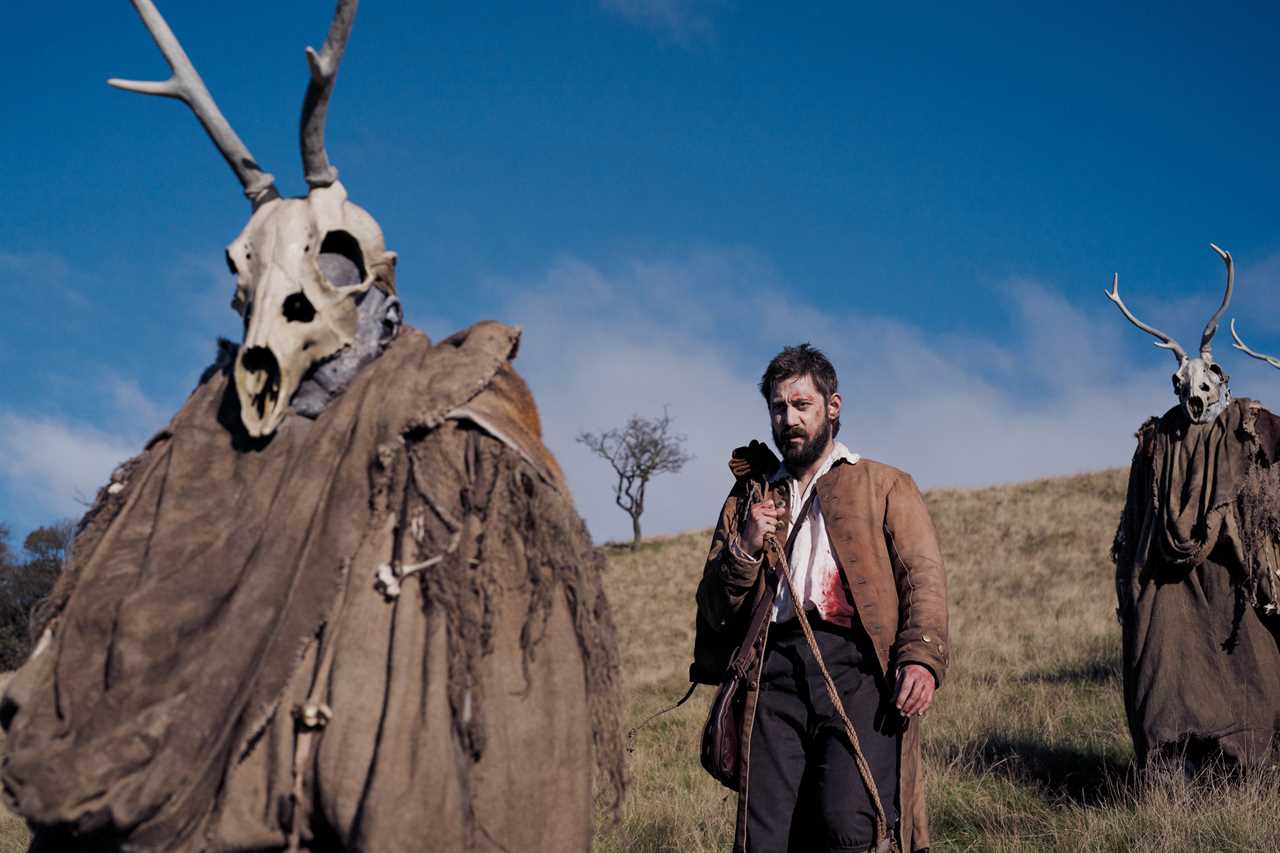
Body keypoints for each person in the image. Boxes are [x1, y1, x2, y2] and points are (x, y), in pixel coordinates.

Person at [694, 344, 949, 853]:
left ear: (833, 406)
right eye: (778, 407)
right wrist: (744, 547)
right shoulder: (751, 497)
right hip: (773, 673)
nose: (788, 419)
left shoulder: (884, 484)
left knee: (850, 827)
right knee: (763, 838)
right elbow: (714, 608)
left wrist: (920, 657)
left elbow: (922, 577)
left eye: (801, 405)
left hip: (857, 671)